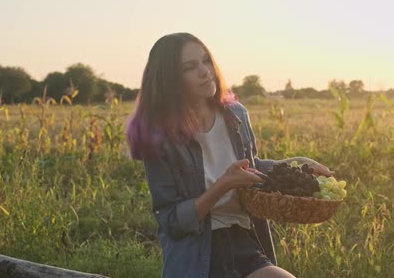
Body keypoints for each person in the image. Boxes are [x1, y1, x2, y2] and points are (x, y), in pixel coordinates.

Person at [126, 32, 334, 278]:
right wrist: (224, 184)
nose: (205, 71)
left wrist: (294, 165)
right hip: (197, 253)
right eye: (190, 67)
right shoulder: (160, 137)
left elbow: (250, 167)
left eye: (206, 60)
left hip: (243, 239)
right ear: (169, 80)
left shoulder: (235, 115)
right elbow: (171, 221)